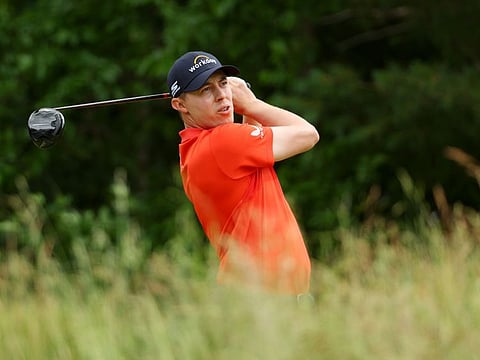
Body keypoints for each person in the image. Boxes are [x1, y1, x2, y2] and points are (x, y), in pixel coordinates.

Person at [167, 51, 319, 296]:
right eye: (205, 90)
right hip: (266, 300)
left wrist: (247, 112)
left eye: (223, 83)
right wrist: (251, 104)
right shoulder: (222, 143)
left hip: (256, 298)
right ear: (180, 105)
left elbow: (248, 156)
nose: (220, 95)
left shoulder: (197, 150)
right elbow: (308, 134)